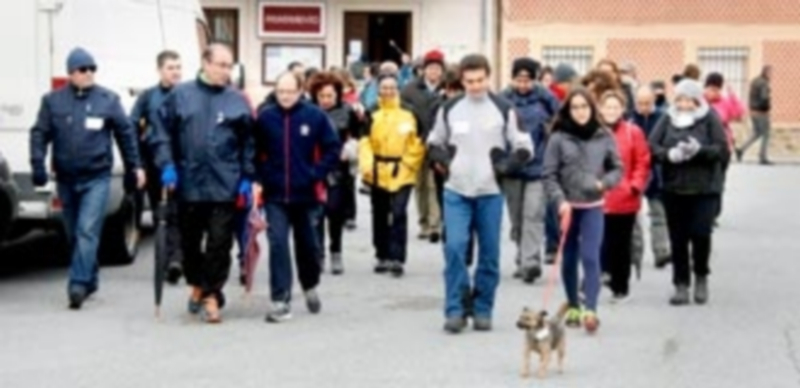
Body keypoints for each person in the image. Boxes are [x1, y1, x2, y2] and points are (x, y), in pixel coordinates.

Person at [30, 47, 145, 309]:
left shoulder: (108, 100)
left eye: (92, 68)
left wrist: (134, 167)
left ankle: (78, 284)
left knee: (87, 230)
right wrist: (37, 164)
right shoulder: (53, 101)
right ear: (71, 73)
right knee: (73, 234)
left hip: (97, 178)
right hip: (66, 178)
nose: (89, 73)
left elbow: (126, 134)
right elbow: (39, 134)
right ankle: (90, 276)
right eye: (83, 69)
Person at [428, 54, 533, 333]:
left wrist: (506, 165)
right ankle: (456, 308)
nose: (475, 86)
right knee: (454, 248)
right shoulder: (449, 108)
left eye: (480, 80)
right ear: (461, 81)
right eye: (470, 81)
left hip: (490, 192)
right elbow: (433, 142)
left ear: (489, 77)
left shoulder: (504, 109)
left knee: (489, 254)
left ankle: (483, 307)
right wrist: (445, 160)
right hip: (456, 191)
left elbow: (525, 146)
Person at [150, 43, 255, 323]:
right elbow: (161, 133)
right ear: (206, 63)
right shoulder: (180, 95)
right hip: (189, 183)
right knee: (190, 242)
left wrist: (247, 176)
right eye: (221, 65)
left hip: (224, 183)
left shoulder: (237, 100)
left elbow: (248, 141)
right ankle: (196, 283)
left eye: (229, 66)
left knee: (220, 243)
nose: (225, 71)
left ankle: (211, 295)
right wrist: (167, 164)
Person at [254, 71, 340, 323]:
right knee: (278, 244)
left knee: (309, 246)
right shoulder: (265, 117)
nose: (285, 96)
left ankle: (309, 284)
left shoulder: (315, 116)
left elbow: (332, 148)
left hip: (306, 195)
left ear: (300, 91)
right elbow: (254, 151)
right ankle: (280, 299)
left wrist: (315, 173)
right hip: (275, 195)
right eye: (281, 91)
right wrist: (261, 176)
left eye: (290, 91)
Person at [542, 88, 622, 333]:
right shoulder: (558, 138)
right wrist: (559, 201)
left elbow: (617, 168)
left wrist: (604, 184)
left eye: (584, 106)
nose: (580, 112)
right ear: (568, 110)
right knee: (569, 257)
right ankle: (574, 306)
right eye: (575, 107)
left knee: (590, 256)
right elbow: (549, 175)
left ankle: (591, 310)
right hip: (566, 206)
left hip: (592, 205)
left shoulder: (604, 135)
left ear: (592, 108)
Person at [648, 79, 729, 306]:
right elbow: (652, 146)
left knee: (701, 234)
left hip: (704, 188)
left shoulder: (709, 117)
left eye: (689, 100)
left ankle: (701, 275)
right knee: (678, 238)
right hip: (674, 187)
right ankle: (681, 284)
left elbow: (721, 149)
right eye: (680, 100)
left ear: (697, 100)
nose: (684, 105)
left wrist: (699, 151)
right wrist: (668, 154)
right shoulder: (668, 118)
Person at [500, 57, 560, 284]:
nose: (523, 84)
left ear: (534, 80)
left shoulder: (546, 99)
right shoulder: (503, 100)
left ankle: (531, 262)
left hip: (539, 166)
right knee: (517, 218)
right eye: (519, 79)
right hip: (512, 167)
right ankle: (521, 256)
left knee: (533, 214)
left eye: (527, 80)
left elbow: (561, 121)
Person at [360, 74, 425, 277]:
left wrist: (409, 163)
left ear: (398, 89)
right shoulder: (372, 112)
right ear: (378, 90)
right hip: (378, 170)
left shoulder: (409, 112)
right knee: (380, 213)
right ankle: (382, 254)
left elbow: (418, 141)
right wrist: (367, 164)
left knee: (398, 212)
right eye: (384, 88)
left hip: (402, 170)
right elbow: (364, 140)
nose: (388, 91)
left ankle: (397, 257)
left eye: (392, 87)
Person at [129, 50, 184, 284]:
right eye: (171, 68)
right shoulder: (148, 97)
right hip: (154, 163)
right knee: (161, 212)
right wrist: (137, 162)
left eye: (178, 67)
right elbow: (131, 126)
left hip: (182, 163)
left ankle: (177, 259)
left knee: (179, 212)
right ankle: (166, 260)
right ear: (160, 70)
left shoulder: (187, 94)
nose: (175, 72)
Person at [597, 91, 650, 303]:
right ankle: (602, 274)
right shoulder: (593, 132)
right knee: (599, 241)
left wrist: (635, 186)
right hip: (597, 196)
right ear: (600, 109)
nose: (611, 111)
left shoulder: (632, 132)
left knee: (621, 245)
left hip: (625, 198)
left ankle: (621, 287)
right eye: (607, 107)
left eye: (615, 107)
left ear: (622, 110)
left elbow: (642, 161)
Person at [307, 72, 363, 275]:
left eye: (329, 96)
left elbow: (358, 134)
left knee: (334, 211)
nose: (325, 100)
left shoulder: (347, 111)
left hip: (338, 169)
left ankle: (336, 251)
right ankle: (318, 254)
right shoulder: (307, 111)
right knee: (316, 214)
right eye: (321, 96)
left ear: (337, 94)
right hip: (314, 168)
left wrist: (351, 148)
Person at [401, 49, 446, 243]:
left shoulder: (447, 89)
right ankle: (423, 223)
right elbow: (403, 113)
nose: (434, 72)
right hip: (417, 143)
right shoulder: (410, 90)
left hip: (439, 144)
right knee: (420, 185)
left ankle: (435, 225)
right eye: (430, 68)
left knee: (433, 184)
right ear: (424, 70)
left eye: (437, 68)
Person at [632, 85, 671, 268]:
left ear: (654, 101)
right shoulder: (630, 119)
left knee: (659, 215)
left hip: (657, 172)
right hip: (635, 173)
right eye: (640, 103)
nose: (643, 107)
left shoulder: (663, 118)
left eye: (647, 103)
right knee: (633, 216)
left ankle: (661, 251)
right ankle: (634, 253)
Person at [704, 72, 745, 220]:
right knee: (704, 180)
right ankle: (704, 211)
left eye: (717, 89)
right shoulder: (699, 102)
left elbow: (739, 113)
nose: (713, 93)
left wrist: (732, 95)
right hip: (705, 146)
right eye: (711, 89)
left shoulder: (725, 102)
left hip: (722, 146)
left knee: (718, 180)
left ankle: (714, 212)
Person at [737, 65, 772, 165]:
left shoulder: (755, 81)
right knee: (766, 134)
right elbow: (764, 97)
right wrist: (767, 108)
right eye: (770, 72)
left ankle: (741, 149)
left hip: (753, 111)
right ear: (766, 72)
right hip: (761, 112)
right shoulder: (764, 83)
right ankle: (762, 156)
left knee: (757, 132)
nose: (771, 75)